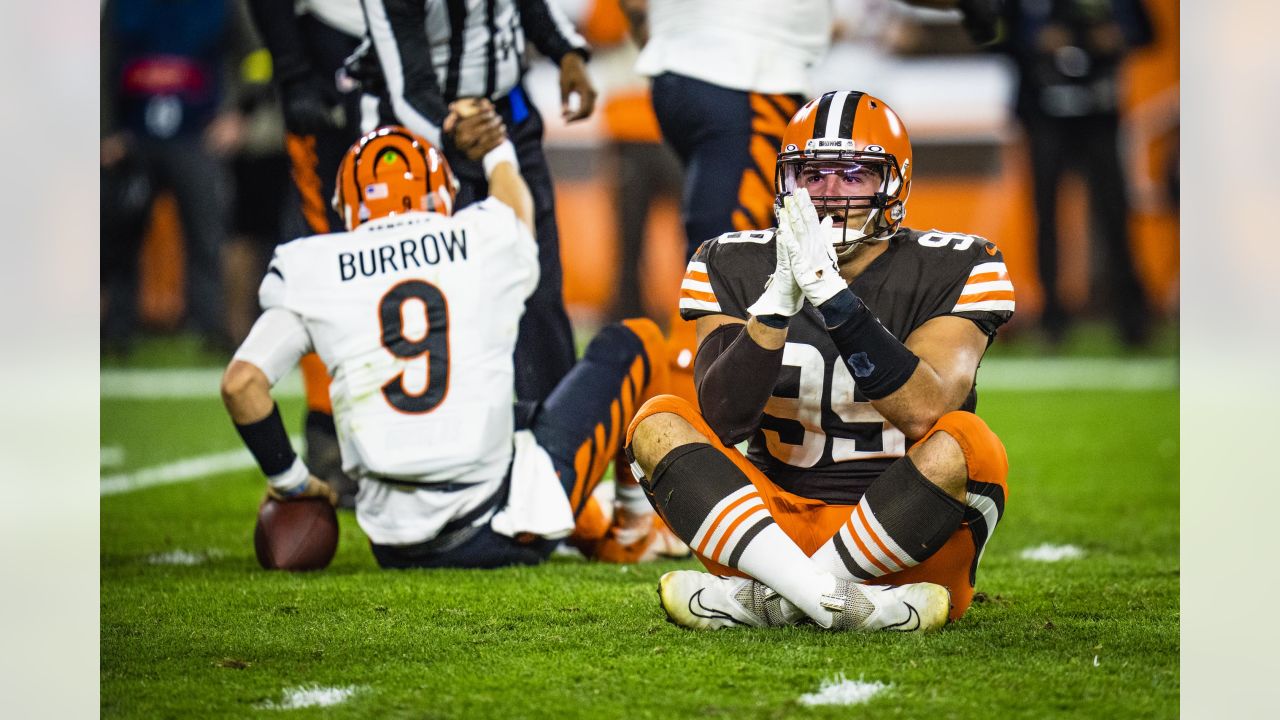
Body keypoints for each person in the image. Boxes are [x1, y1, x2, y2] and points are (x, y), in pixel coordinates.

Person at [221, 112, 684, 567]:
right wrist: (497, 150)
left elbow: (241, 385)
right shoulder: (479, 235)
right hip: (498, 526)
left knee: (520, 420)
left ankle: (591, 521)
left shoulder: (312, 264)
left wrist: (292, 481)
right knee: (637, 338)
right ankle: (631, 531)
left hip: (392, 542)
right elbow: (518, 208)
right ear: (440, 194)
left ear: (347, 206)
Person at [625, 91, 1014, 631]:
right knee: (658, 421)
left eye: (854, 176)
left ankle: (773, 602)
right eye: (813, 174)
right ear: (787, 182)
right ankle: (843, 605)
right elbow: (719, 420)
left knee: (969, 446)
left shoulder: (960, 263)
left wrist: (834, 300)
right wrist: (775, 308)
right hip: (768, 532)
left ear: (893, 186)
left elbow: (927, 409)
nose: (829, 196)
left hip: (908, 539)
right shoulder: (732, 260)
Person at [622, 0, 1005, 408]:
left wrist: (672, 42)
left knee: (718, 253)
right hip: (746, 72)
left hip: (676, 76)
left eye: (853, 176)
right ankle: (685, 427)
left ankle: (670, 422)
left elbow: (632, 5)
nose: (833, 190)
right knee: (728, 273)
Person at [360, 0, 597, 407]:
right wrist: (450, 130)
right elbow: (407, 87)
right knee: (447, 296)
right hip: (421, 137)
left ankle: (556, 438)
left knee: (538, 285)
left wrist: (568, 52)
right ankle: (450, 430)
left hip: (507, 114)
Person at [245, 0, 373, 506]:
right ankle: (328, 432)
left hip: (412, 57)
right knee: (329, 260)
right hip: (331, 50)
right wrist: (295, 71)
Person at [994, 0, 1154, 346]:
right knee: (1046, 218)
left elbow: (1146, 31)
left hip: (1100, 115)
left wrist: (1115, 36)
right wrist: (1036, 38)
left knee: (1115, 216)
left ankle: (1133, 319)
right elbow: (994, 33)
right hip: (1043, 116)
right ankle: (1053, 320)